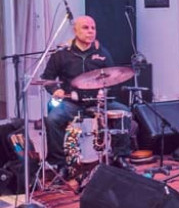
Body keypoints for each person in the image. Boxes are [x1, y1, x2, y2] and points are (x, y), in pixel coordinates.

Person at [42, 15, 134, 177]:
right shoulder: (61, 55)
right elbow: (46, 79)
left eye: (93, 28)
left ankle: (120, 157)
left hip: (97, 103)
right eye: (85, 28)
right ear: (75, 30)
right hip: (72, 102)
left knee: (124, 112)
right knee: (52, 119)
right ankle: (60, 164)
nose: (90, 31)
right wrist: (55, 90)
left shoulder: (102, 53)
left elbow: (114, 79)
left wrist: (105, 92)